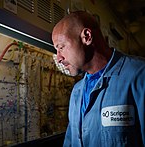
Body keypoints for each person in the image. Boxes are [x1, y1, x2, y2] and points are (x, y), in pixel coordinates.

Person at [52, 11, 145, 147]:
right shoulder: (77, 92)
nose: (59, 58)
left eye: (61, 47)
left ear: (87, 37)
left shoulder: (139, 75)